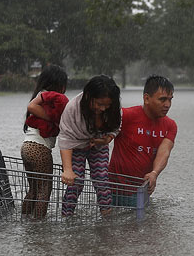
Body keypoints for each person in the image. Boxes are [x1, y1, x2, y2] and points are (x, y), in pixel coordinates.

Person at [57, 75, 121, 216]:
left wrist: (106, 139)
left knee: (102, 179)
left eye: (107, 105)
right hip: (76, 146)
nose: (103, 108)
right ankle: (66, 217)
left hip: (98, 145)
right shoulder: (72, 108)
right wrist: (67, 170)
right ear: (88, 96)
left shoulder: (113, 108)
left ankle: (107, 217)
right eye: (99, 104)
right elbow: (66, 139)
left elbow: (115, 127)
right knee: (76, 182)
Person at [109, 75, 177, 200]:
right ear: (146, 98)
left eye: (170, 99)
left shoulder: (170, 125)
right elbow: (103, 136)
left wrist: (154, 173)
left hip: (141, 192)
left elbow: (164, 151)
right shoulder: (125, 116)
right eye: (162, 100)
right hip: (113, 189)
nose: (167, 104)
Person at [20, 64, 68, 220]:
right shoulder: (49, 98)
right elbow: (52, 117)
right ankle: (38, 224)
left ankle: (25, 218)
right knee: (44, 189)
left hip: (27, 147)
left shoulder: (40, 97)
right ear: (59, 86)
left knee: (33, 189)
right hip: (39, 149)